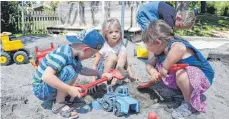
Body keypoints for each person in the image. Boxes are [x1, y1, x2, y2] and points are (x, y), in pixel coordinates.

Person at [142, 20, 214, 118]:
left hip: (202, 78)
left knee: (180, 73)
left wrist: (165, 67)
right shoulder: (160, 52)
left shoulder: (175, 45)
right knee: (169, 70)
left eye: (147, 45)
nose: (147, 48)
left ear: (158, 42)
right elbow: (149, 64)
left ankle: (190, 105)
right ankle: (183, 94)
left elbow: (180, 49)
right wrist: (153, 72)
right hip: (189, 80)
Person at [32, 29, 108, 118]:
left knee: (74, 69)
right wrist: (69, 89)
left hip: (49, 87)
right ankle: (59, 104)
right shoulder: (62, 54)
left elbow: (82, 70)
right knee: (70, 70)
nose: (91, 57)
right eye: (93, 55)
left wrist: (98, 72)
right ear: (86, 49)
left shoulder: (74, 54)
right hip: (41, 90)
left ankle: (62, 96)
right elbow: (46, 77)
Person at [91, 18, 137, 87]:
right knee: (113, 56)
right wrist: (93, 81)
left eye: (116, 31)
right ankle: (104, 81)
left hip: (114, 70)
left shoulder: (120, 45)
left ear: (120, 32)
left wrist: (132, 76)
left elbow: (126, 63)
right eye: (110, 32)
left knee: (123, 53)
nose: (114, 34)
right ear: (105, 34)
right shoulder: (103, 46)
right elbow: (94, 64)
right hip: (103, 72)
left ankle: (115, 79)